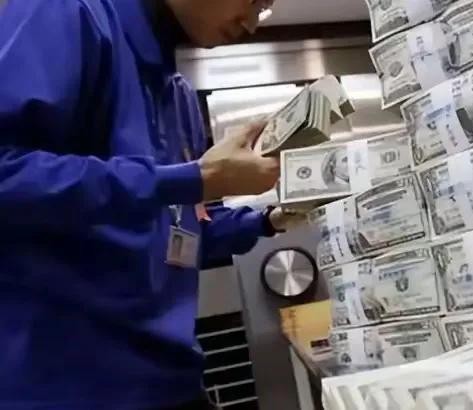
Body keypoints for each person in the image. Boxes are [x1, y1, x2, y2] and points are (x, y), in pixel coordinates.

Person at [0, 0, 304, 408]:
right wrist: (194, 178)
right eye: (253, 0)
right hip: (69, 387)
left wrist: (270, 220)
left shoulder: (177, 94)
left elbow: (174, 231)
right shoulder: (67, 13)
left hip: (165, 380)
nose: (251, 23)